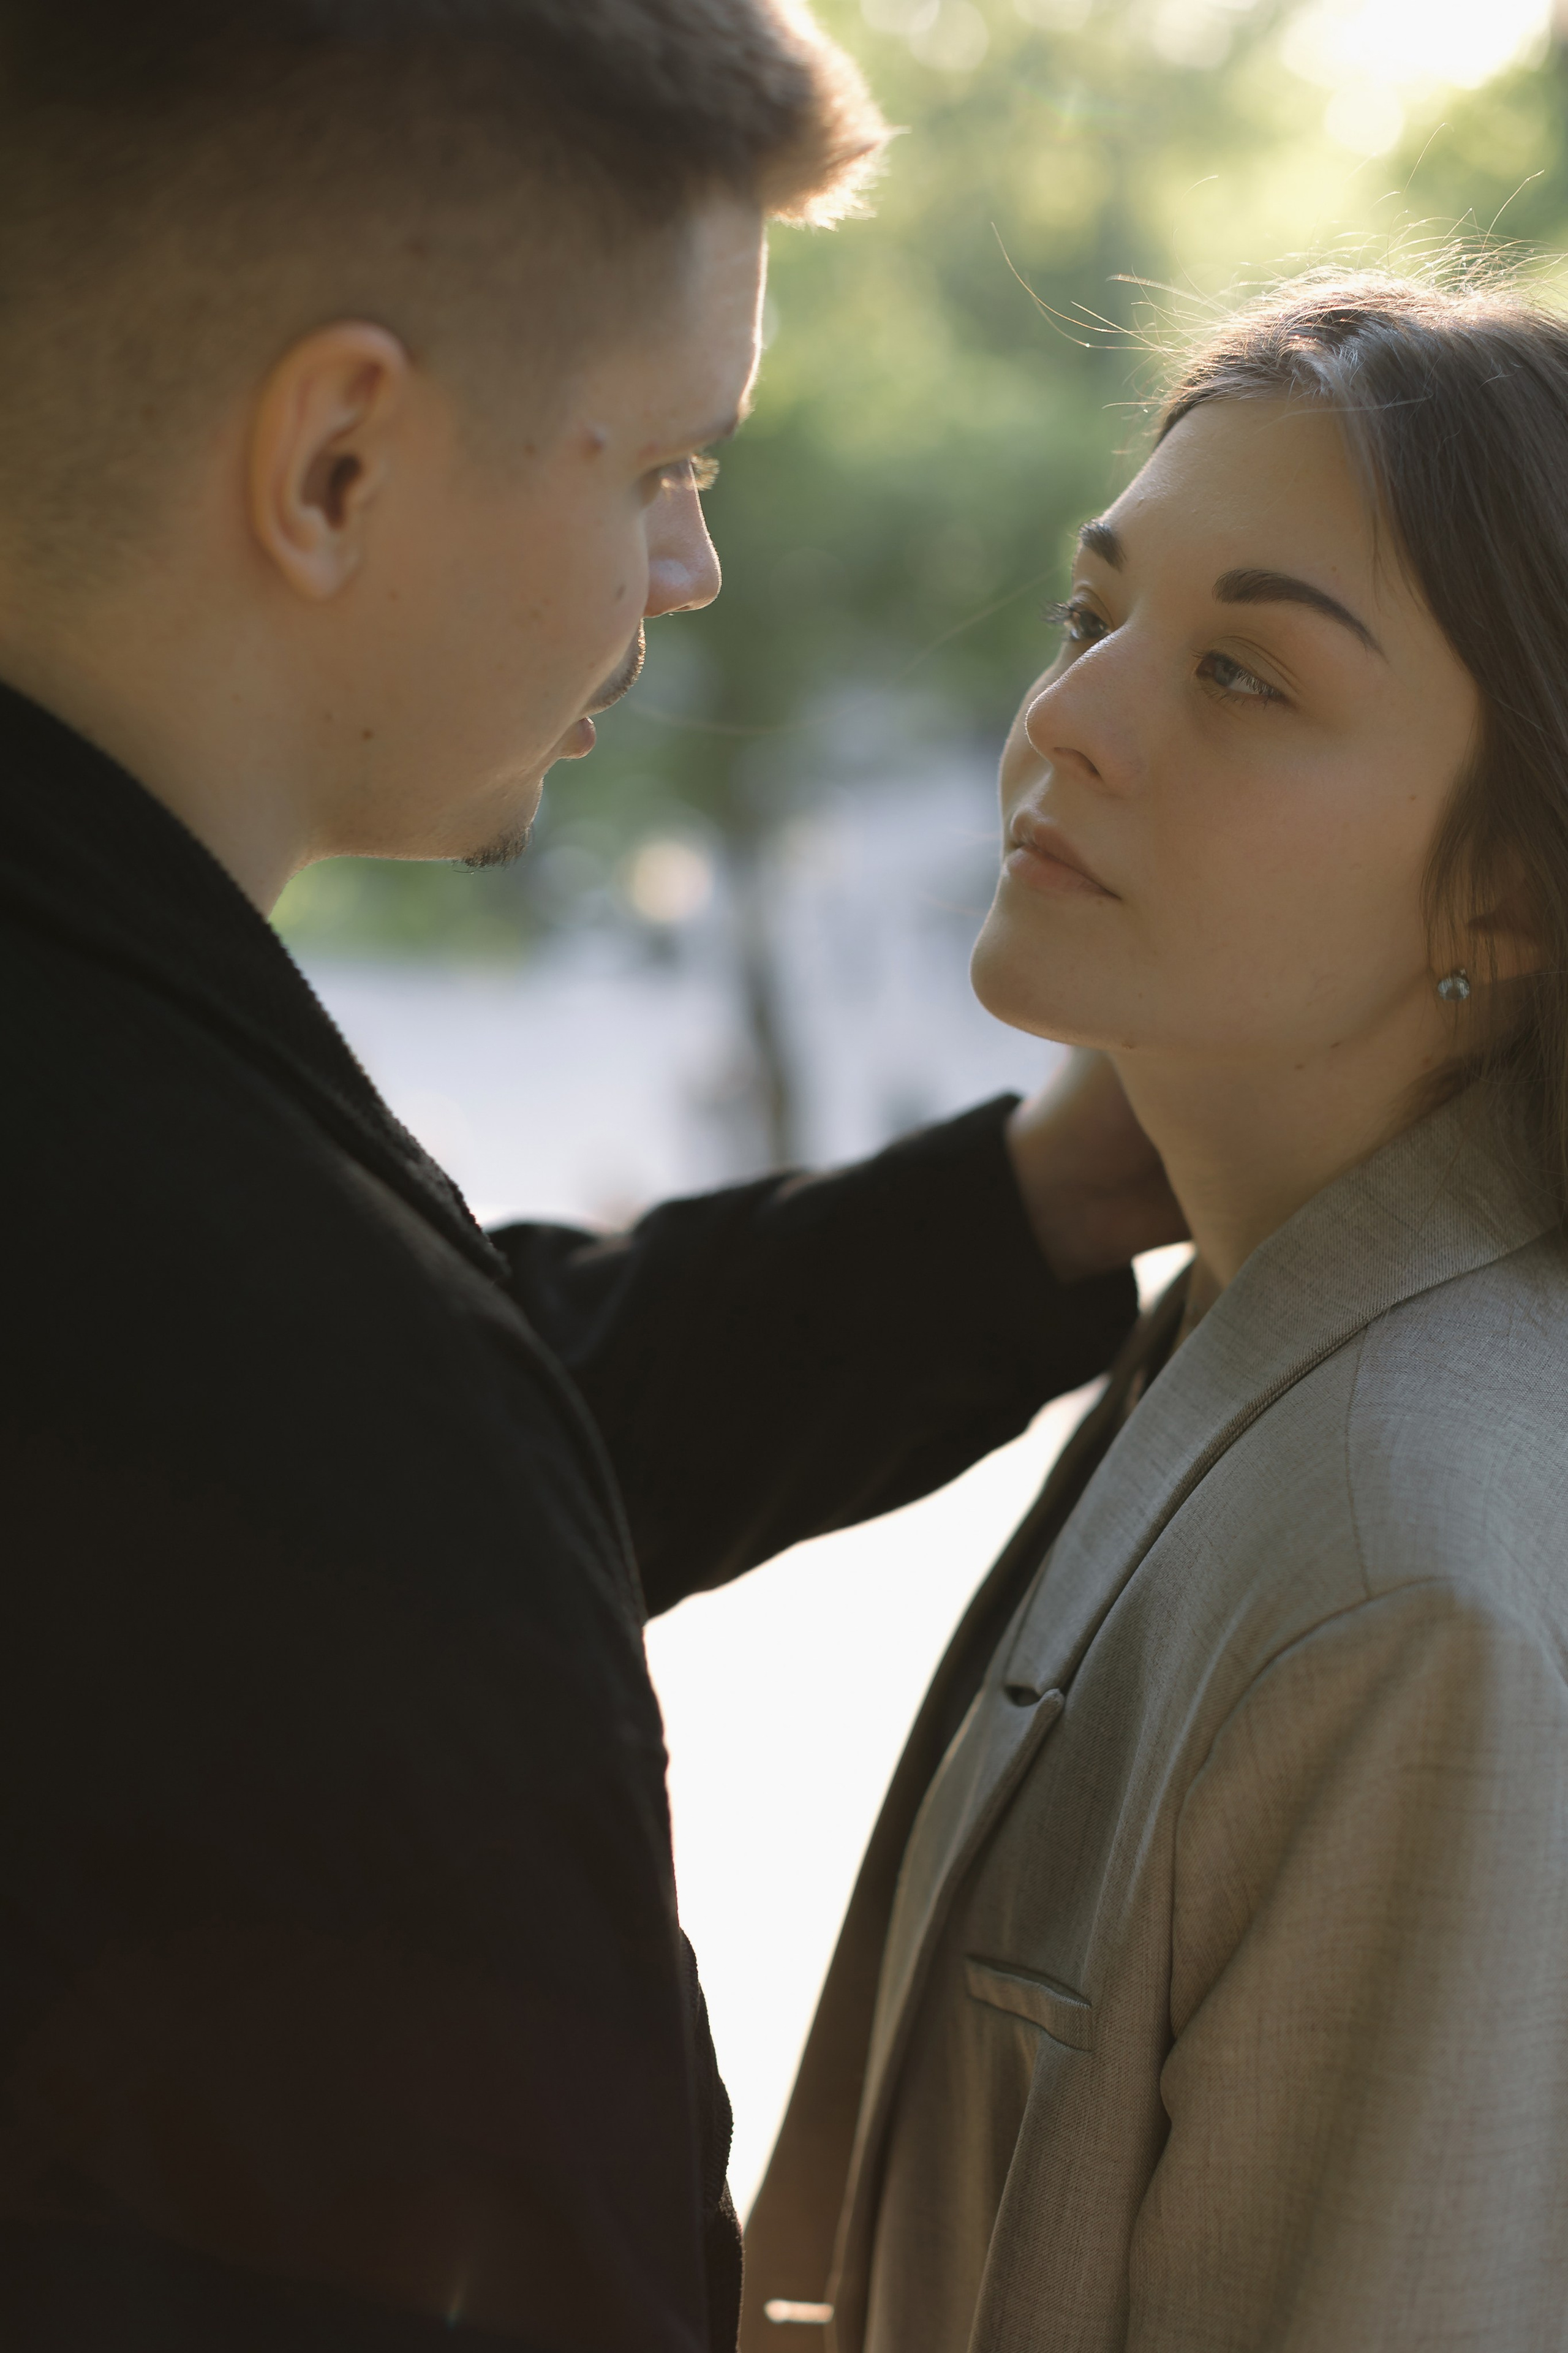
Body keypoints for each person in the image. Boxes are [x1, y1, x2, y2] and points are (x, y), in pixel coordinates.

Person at [0, 4, 1189, 2349]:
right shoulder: (212, 1307)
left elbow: (402, 1427)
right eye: (664, 458)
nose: (691, 567)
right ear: (336, 460)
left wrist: (1043, 1198)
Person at [742, 268, 1568, 2353]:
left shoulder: (1411, 1578)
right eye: (1094, 616)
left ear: (1518, 890)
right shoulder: (1243, 1308)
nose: (1072, 721)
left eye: (1247, 677)